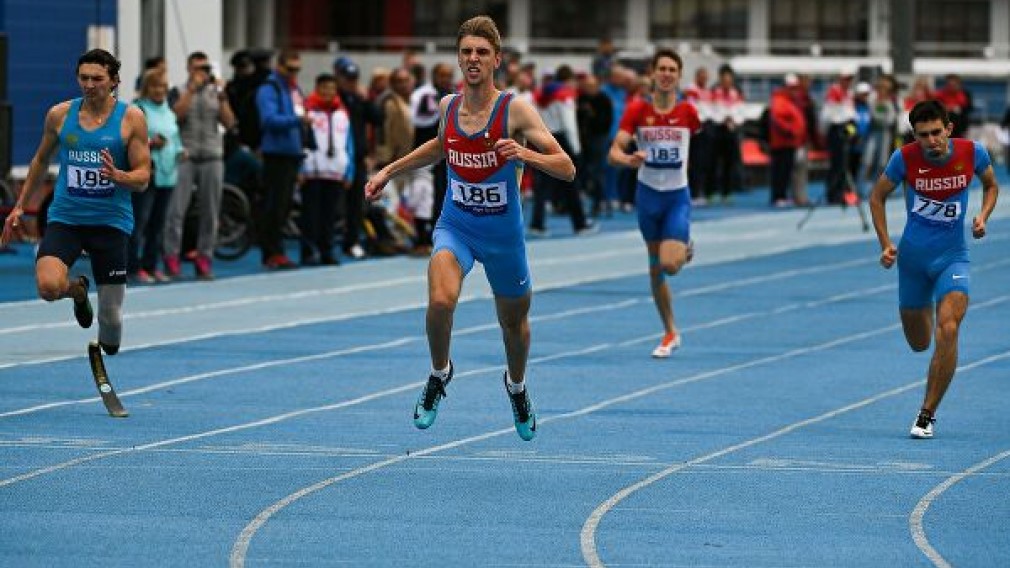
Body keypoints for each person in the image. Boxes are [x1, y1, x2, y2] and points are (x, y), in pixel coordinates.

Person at [364, 15, 576, 441]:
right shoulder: (449, 107)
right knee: (441, 301)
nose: (473, 58)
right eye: (466, 52)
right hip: (456, 226)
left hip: (503, 237)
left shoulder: (515, 109)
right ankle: (439, 373)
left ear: (497, 59)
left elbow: (567, 167)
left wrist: (525, 155)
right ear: (459, 59)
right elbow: (441, 146)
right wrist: (388, 170)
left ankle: (516, 387)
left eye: (481, 52)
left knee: (513, 324)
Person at [0, 48, 151, 357]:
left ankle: (107, 343)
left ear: (114, 81)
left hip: (110, 222)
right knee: (48, 287)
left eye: (97, 78)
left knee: (111, 323)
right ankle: (77, 290)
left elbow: (144, 177)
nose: (89, 85)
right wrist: (19, 206)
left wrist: (119, 175)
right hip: (66, 218)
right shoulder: (60, 115)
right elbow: (41, 160)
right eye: (84, 78)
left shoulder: (131, 118)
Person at [868, 100, 999, 439]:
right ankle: (924, 306)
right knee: (920, 342)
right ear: (914, 135)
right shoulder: (904, 158)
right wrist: (885, 243)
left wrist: (983, 216)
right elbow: (876, 197)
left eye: (936, 133)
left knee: (949, 328)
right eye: (923, 135)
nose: (931, 141)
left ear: (949, 129)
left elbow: (991, 185)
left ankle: (926, 414)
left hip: (953, 257)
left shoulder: (972, 152)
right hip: (913, 261)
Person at [607, 49, 701, 358]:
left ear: (679, 76)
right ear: (652, 74)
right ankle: (670, 330)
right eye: (662, 68)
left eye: (672, 69)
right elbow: (613, 152)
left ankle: (684, 248)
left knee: (670, 265)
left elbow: (694, 144)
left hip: (676, 197)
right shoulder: (637, 110)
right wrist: (628, 160)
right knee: (654, 269)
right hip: (647, 197)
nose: (666, 74)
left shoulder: (688, 112)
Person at [163, 51, 236, 280]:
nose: (201, 73)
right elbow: (174, 117)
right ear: (189, 69)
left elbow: (229, 122)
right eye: (197, 68)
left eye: (205, 68)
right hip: (186, 156)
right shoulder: (178, 91)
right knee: (176, 211)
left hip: (212, 156)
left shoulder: (216, 93)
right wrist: (191, 91)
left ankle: (204, 257)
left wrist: (223, 98)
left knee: (210, 212)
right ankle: (172, 256)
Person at [256, 48, 309, 270]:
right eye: (290, 69)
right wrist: (297, 120)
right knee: (274, 206)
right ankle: (271, 252)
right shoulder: (269, 89)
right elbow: (269, 120)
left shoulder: (293, 88)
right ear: (279, 66)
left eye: (297, 69)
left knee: (285, 206)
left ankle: (277, 251)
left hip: (292, 153)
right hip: (276, 154)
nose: (294, 73)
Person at [129, 68, 183, 283]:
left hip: (168, 175)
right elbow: (128, 140)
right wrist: (151, 143)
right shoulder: (137, 110)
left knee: (158, 224)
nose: (159, 90)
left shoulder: (169, 112)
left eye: (162, 86)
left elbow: (176, 139)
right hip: (146, 174)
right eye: (154, 86)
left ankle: (150, 266)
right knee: (139, 222)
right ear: (146, 88)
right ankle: (133, 267)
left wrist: (181, 151)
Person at [299, 73, 354, 266]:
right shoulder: (307, 111)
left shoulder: (342, 113)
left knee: (330, 215)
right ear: (317, 88)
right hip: (312, 170)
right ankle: (308, 251)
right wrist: (300, 168)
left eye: (331, 88)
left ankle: (327, 251)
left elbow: (349, 143)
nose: (328, 92)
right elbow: (301, 140)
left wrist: (349, 170)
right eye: (324, 88)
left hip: (335, 170)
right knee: (310, 214)